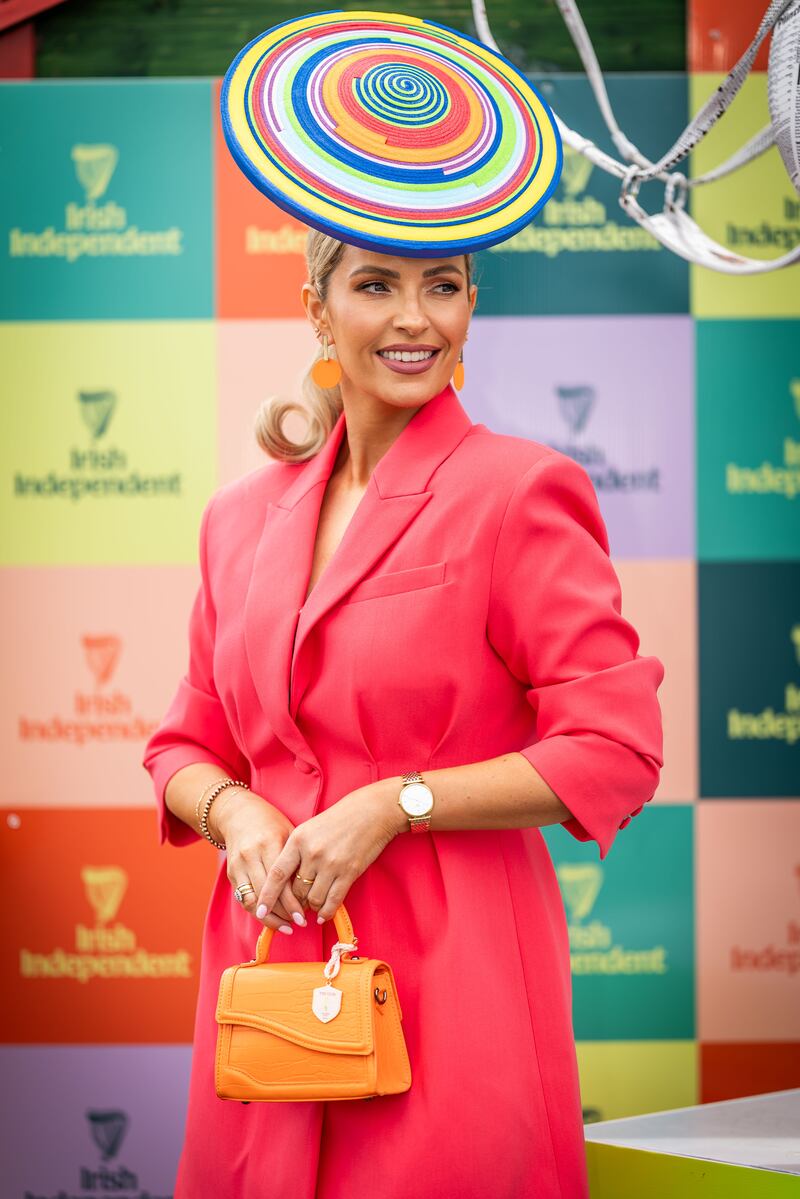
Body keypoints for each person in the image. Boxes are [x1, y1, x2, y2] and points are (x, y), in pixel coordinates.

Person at [143, 13, 664, 1198]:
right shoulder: (240, 515)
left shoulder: (519, 490)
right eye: (376, 284)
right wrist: (237, 819)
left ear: (472, 304)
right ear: (319, 309)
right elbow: (182, 743)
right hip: (268, 978)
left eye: (443, 285)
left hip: (457, 979)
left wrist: (397, 801)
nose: (414, 318)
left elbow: (617, 747)